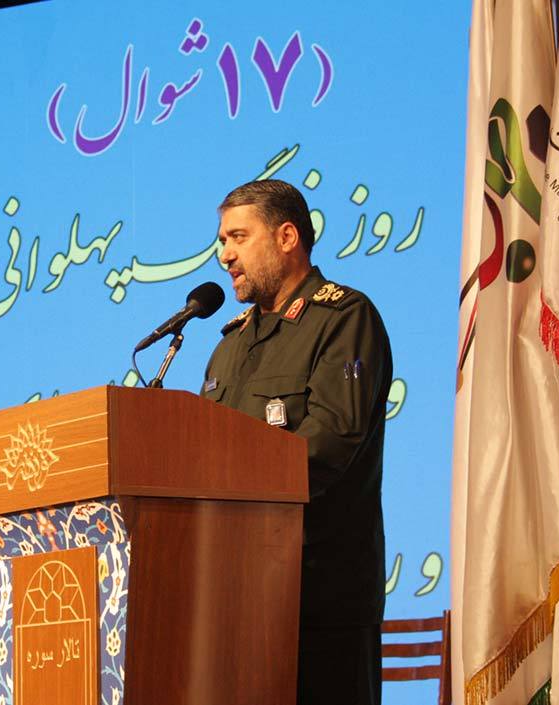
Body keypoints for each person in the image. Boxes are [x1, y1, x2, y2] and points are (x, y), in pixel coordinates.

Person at [202, 179, 392, 704]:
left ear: (287, 237)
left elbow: (330, 441)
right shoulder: (229, 346)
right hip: (233, 596)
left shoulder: (345, 318)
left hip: (319, 598)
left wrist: (232, 492)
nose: (225, 255)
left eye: (238, 237)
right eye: (222, 241)